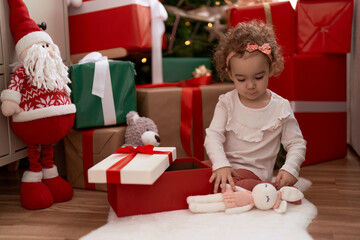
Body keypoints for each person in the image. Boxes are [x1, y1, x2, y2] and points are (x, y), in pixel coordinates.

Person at [205, 20, 306, 193]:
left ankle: (270, 191)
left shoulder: (280, 107)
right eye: (241, 79)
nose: (250, 85)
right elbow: (213, 137)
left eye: (258, 77)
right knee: (198, 173)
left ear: (271, 69)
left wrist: (290, 168)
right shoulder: (226, 102)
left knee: (233, 186)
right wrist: (221, 164)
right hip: (226, 166)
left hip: (254, 174)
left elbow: (296, 143)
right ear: (230, 74)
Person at [0, 0, 76, 209]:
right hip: (32, 120)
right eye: (39, 46)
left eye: (47, 45)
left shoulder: (55, 69)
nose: (45, 50)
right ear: (25, 50)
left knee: (48, 148)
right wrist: (10, 101)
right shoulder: (24, 71)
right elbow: (14, 87)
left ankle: (50, 174)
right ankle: (33, 178)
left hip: (56, 118)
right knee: (34, 149)